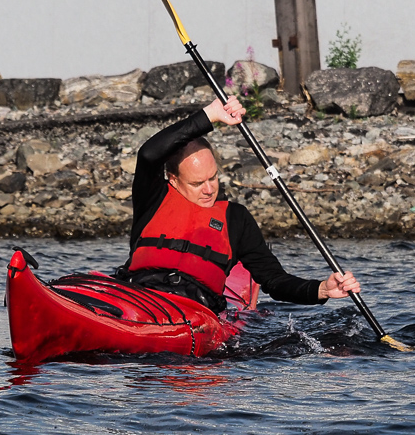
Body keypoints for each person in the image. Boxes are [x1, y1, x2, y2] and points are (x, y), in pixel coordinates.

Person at [114, 96, 360, 313]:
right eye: (198, 183)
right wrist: (210, 115)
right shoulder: (154, 198)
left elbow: (274, 281)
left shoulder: (236, 219)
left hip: (195, 312)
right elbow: (148, 154)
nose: (209, 189)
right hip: (139, 299)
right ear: (174, 180)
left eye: (213, 178)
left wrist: (321, 290)